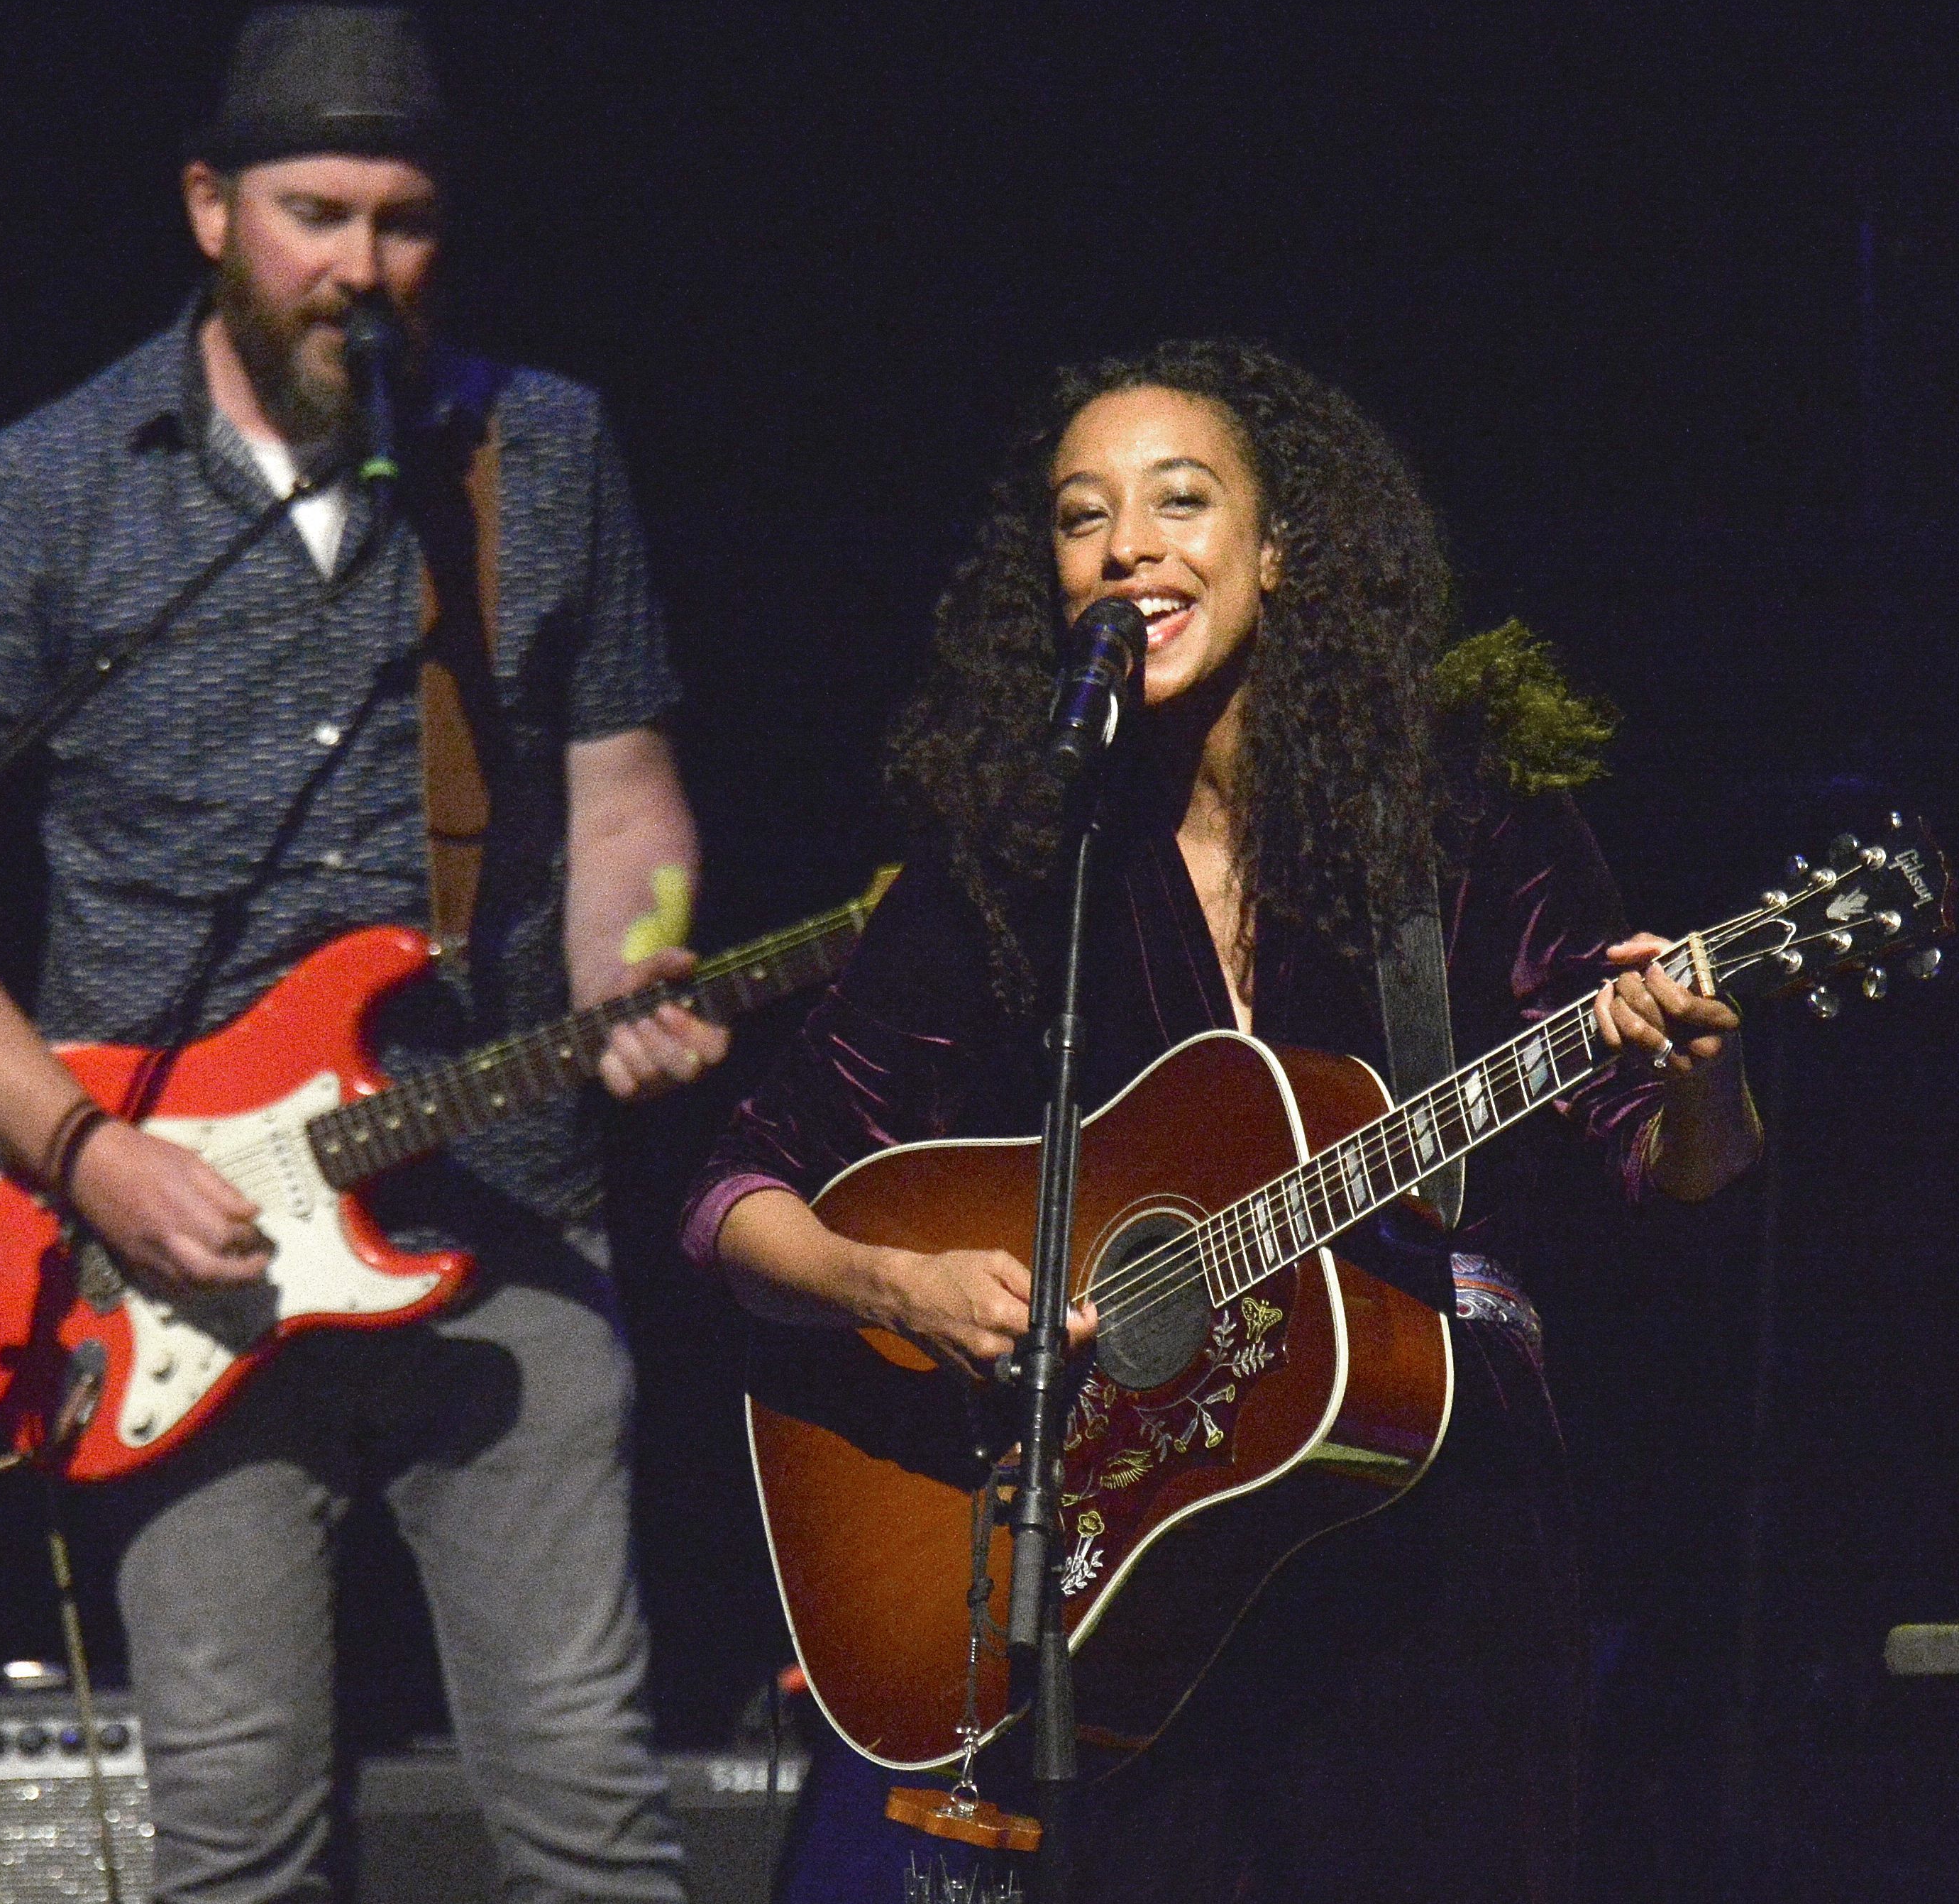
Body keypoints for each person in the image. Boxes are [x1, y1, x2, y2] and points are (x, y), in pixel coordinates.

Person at [678, 338, 1762, 1901]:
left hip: (1435, 1558)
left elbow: (1681, 1181)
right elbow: (735, 1194)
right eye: (1080, 515)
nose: (1128, 545)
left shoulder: (1460, 818)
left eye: (1182, 501)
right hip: (1133, 1594)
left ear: (1280, 551)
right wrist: (897, 1287)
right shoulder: (1022, 860)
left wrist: (1695, 1069)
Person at [0, 6, 727, 1902]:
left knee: (589, 1822)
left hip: (504, 1206)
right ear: (212, 207)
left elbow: (627, 795)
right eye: (314, 212)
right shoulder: (58, 487)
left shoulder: (538, 453)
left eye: (403, 220)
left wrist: (642, 961)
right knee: (236, 1849)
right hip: (164, 1248)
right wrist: (80, 1156)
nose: (358, 268)